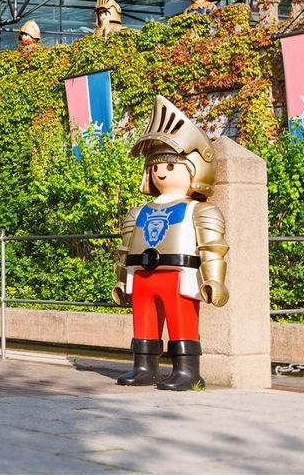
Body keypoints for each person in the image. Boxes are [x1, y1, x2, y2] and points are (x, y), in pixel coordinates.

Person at [113, 95, 228, 391]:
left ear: (193, 168)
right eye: (155, 165)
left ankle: (187, 371)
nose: (161, 171)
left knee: (182, 322)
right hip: (142, 275)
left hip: (179, 274)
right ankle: (143, 366)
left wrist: (215, 280)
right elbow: (125, 249)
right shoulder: (139, 211)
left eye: (170, 164)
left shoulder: (199, 210)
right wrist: (121, 281)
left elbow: (212, 247)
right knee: (144, 321)